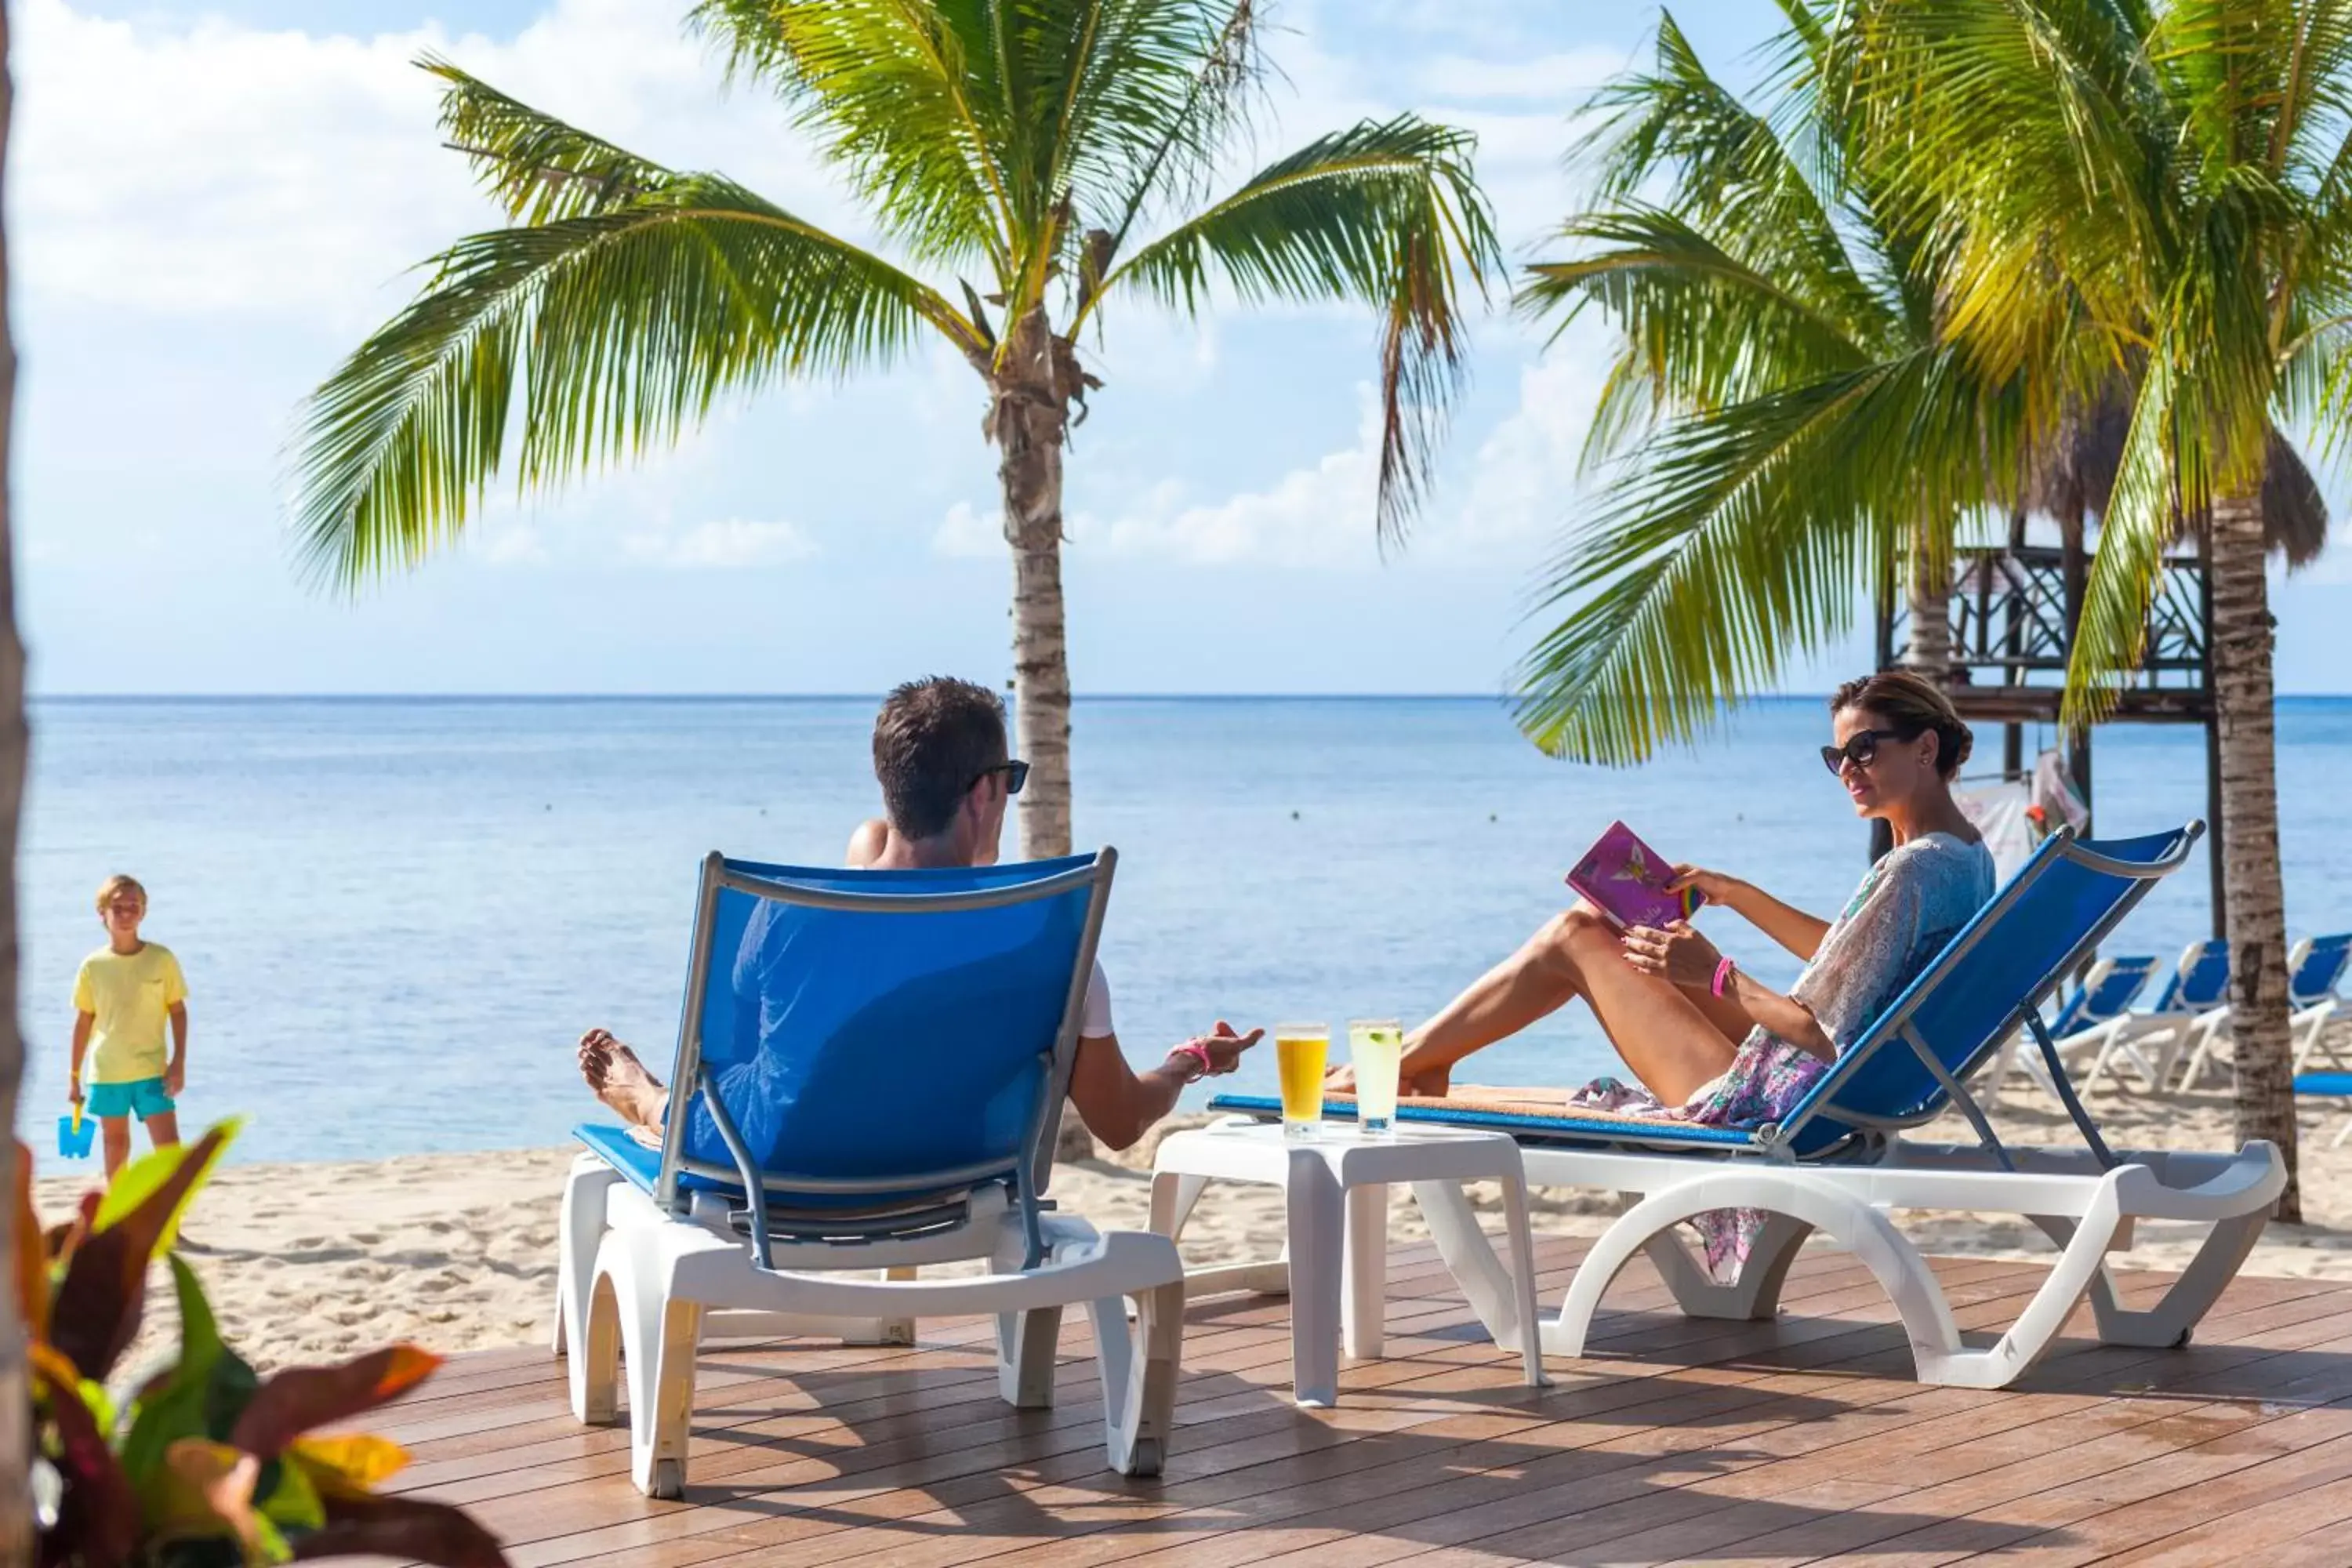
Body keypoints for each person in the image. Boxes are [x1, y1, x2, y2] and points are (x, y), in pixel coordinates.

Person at [1336, 671, 1995, 1275]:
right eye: (1837, 757)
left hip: (1777, 1100)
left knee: (1577, 932)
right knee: (1620, 932)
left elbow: (1822, 1030)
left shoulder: (1912, 869)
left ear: (1926, 749)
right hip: (1826, 1092)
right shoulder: (1963, 857)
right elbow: (1852, 958)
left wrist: (1716, 975)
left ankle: (1398, 1066)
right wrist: (1736, 893)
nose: (1848, 769)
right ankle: (1412, 1065)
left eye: (1865, 749)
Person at [579, 676, 1261, 1152]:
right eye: (1011, 781)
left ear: (889, 784)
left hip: (776, 1180)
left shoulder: (780, 917)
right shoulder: (1053, 943)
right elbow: (1118, 1122)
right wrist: (1189, 1060)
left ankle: (650, 1100)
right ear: (988, 792)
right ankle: (646, 1097)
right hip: (949, 1186)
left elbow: (748, 1078)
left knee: (719, 1107)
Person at [67, 874, 192, 1178]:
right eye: (117, 907)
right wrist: (73, 1076)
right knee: (115, 1146)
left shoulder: (161, 959)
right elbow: (84, 1022)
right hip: (107, 1072)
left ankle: (170, 1224)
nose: (125, 914)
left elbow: (178, 1011)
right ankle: (120, 1222)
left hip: (153, 1071)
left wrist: (178, 1062)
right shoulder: (93, 966)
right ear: (103, 913)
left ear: (143, 912)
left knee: (168, 1152)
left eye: (133, 907)